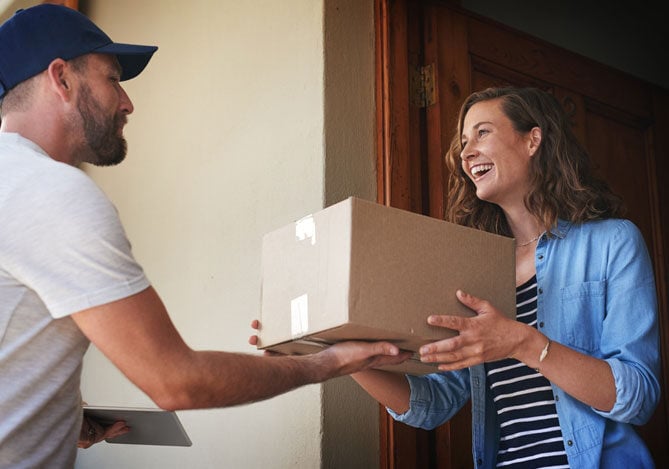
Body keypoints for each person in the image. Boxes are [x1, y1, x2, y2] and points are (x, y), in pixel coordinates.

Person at [0, 4, 408, 468]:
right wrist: (327, 363)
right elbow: (176, 381)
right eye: (113, 78)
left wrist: (55, 416)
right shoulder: (52, 193)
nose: (128, 101)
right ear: (62, 79)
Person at [349, 87, 660, 468]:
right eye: (463, 142)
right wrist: (351, 361)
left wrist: (523, 343)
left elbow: (638, 397)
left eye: (483, 133)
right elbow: (435, 404)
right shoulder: (472, 271)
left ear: (533, 140)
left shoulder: (613, 241)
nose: (466, 153)